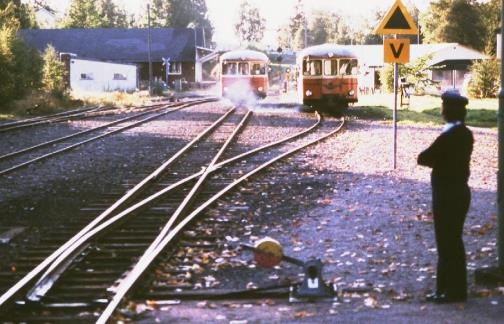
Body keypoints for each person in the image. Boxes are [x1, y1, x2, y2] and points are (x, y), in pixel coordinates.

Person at [417, 89, 474, 303]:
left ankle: (450, 291)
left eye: (444, 107)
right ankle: (451, 289)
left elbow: (423, 158)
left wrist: (436, 161)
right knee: (453, 242)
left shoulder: (449, 135)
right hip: (459, 192)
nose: (442, 110)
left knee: (446, 243)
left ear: (448, 111)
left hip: (447, 195)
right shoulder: (465, 133)